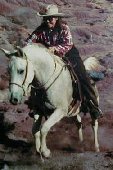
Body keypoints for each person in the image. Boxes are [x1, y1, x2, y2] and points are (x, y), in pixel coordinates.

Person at [25, 4, 103, 119]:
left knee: (82, 77)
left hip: (69, 54)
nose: (48, 20)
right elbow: (28, 42)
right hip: (50, 57)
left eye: (50, 18)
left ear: (56, 18)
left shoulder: (64, 28)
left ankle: (93, 106)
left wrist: (55, 48)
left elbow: (68, 44)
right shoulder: (40, 30)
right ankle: (36, 106)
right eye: (45, 18)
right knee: (36, 77)